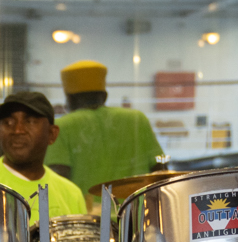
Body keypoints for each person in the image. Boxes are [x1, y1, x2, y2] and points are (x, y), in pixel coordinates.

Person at [45, 59, 164, 199]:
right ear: (104, 96)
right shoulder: (137, 119)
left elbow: (57, 178)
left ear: (69, 100)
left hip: (84, 217)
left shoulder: (60, 127)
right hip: (135, 215)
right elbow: (160, 168)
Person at [0, 90, 87, 219]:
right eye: (8, 122)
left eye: (29, 121)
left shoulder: (71, 194)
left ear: (52, 134)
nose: (18, 130)